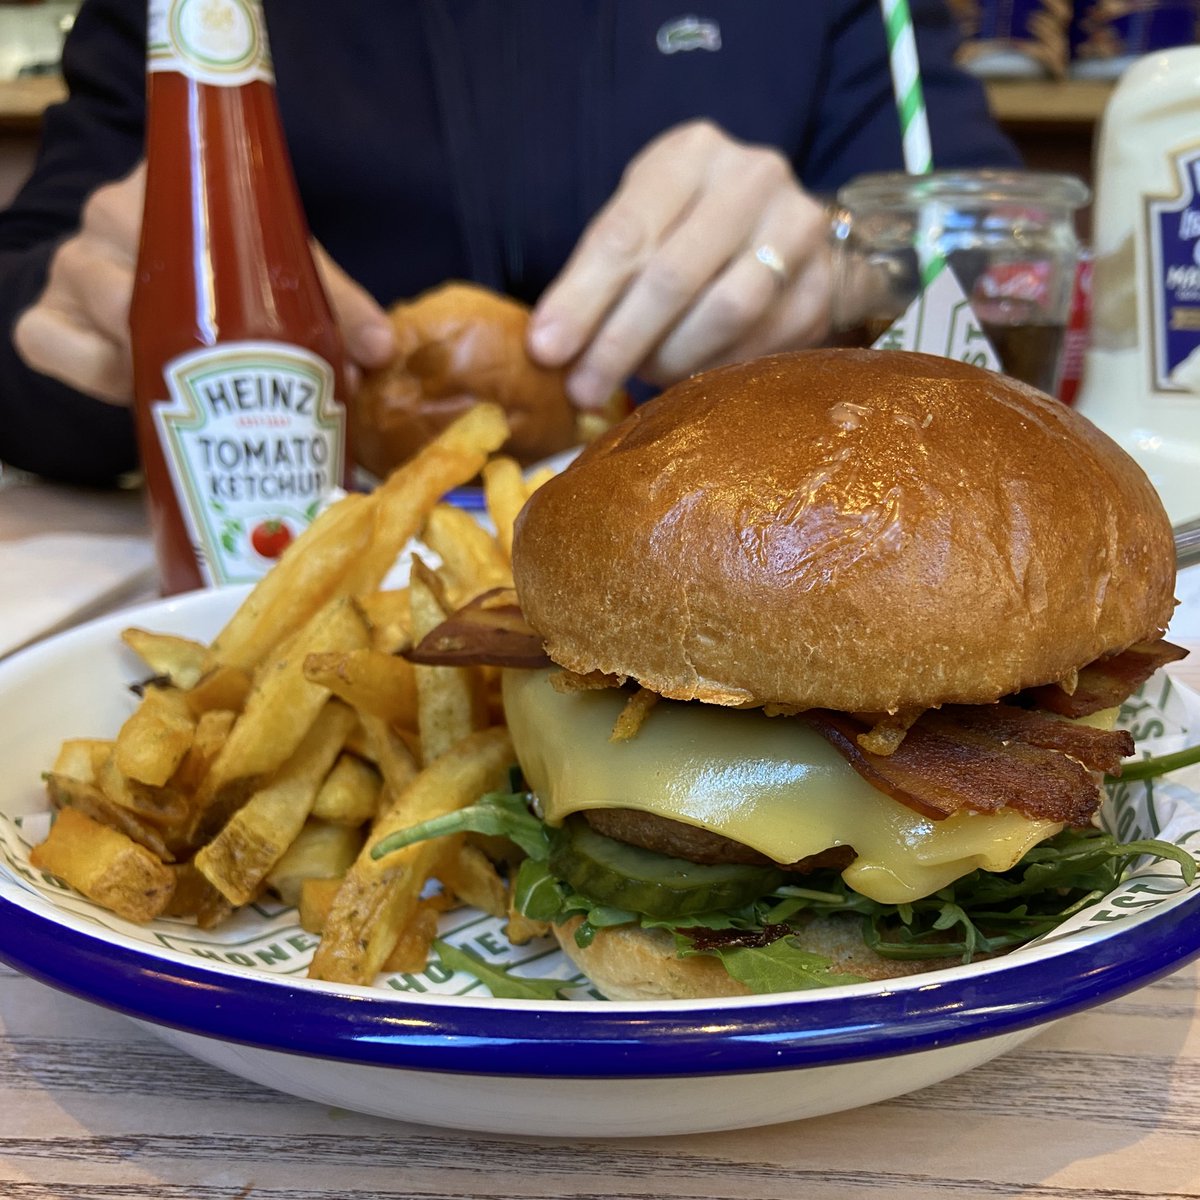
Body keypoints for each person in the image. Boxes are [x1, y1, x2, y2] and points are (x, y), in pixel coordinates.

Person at [0, 0, 1019, 486]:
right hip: (257, 561)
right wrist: (82, 324)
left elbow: (1007, 258)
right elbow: (26, 301)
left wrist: (846, 262)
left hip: (759, 541)